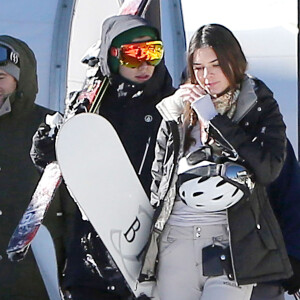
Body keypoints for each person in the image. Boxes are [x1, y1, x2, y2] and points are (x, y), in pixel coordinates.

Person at [139, 23, 293, 300]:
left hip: (232, 241)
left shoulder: (258, 105)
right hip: (176, 238)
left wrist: (215, 120)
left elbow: (269, 169)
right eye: (198, 68)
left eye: (216, 65)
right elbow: (158, 182)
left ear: (234, 62)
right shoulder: (178, 111)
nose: (207, 76)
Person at [31, 14, 175, 300]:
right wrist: (48, 146)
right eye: (133, 55)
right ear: (112, 57)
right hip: (93, 251)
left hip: (155, 253)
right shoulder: (91, 106)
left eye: (152, 52)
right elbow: (60, 166)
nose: (144, 64)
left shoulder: (172, 107)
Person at [0, 36, 76, 300]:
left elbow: (72, 206)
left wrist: (72, 266)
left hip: (35, 275)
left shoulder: (50, 128)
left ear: (21, 79)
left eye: (1, 77)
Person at [251, 138, 300, 299]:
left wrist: (294, 256)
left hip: (263, 272)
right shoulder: (180, 132)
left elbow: (292, 198)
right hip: (190, 268)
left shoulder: (267, 135)